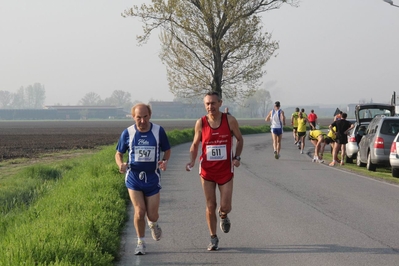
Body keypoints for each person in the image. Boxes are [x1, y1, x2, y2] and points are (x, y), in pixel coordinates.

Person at [186, 91, 243, 251]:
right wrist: (191, 160)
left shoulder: (230, 120)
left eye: (213, 103)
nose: (210, 106)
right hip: (207, 171)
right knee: (210, 205)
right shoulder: (201, 123)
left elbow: (240, 139)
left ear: (220, 103)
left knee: (226, 206)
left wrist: (237, 157)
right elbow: (195, 144)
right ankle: (213, 238)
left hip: (225, 170)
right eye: (207, 104)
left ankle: (223, 216)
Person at [115, 103, 171, 255]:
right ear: (133, 117)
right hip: (134, 177)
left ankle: (153, 224)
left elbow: (167, 149)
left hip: (152, 178)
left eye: (145, 117)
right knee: (139, 212)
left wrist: (164, 161)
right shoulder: (128, 133)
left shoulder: (158, 131)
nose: (142, 121)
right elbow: (118, 153)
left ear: (149, 115)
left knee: (152, 215)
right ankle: (141, 242)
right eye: (138, 117)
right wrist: (121, 164)